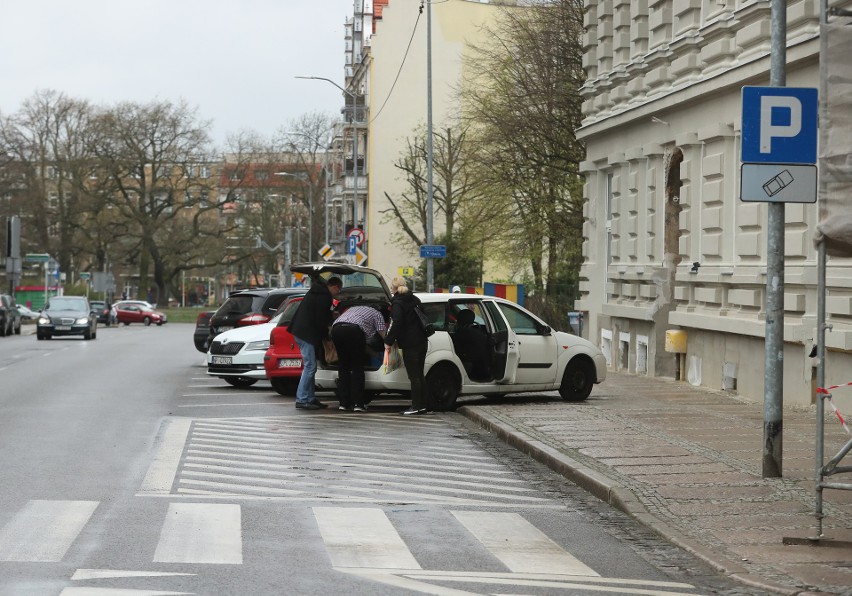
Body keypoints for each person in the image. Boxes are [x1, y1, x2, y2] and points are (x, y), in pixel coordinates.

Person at [287, 276, 343, 410]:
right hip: (307, 334)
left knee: (310, 367)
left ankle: (310, 398)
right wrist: (327, 337)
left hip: (300, 332)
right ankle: (302, 399)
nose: (338, 293)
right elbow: (320, 320)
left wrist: (330, 315)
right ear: (334, 287)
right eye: (338, 290)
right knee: (310, 367)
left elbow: (318, 314)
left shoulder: (316, 292)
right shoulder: (324, 297)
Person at [384, 277, 430, 415]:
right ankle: (422, 405)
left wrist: (388, 341)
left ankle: (415, 406)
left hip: (410, 344)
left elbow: (397, 322)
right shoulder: (415, 299)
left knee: (414, 376)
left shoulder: (397, 303)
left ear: (393, 288)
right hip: (422, 341)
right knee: (420, 375)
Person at [331, 305, 386, 412]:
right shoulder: (378, 314)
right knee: (357, 367)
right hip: (353, 330)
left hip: (336, 329)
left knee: (343, 366)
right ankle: (358, 404)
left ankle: (343, 403)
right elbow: (383, 334)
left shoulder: (353, 308)